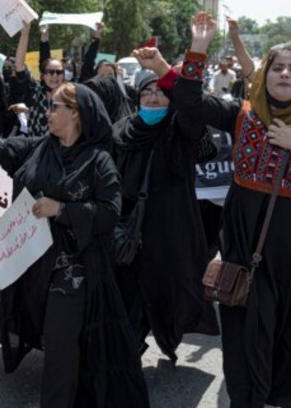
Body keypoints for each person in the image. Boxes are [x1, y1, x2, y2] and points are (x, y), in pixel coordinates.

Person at [0, 82, 149, 407]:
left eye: (54, 107)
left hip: (72, 271)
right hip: (33, 265)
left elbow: (109, 212)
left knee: (61, 349)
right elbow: (3, 149)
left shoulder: (98, 161)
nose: (47, 113)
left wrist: (61, 210)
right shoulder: (39, 147)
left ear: (76, 115)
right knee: (50, 334)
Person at [174, 12, 291, 407]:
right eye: (277, 67)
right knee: (247, 325)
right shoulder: (244, 114)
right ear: (265, 74)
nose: (284, 74)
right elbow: (189, 104)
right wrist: (198, 48)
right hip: (247, 237)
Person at [111, 47, 220, 363]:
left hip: (171, 227)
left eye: (161, 93)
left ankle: (168, 336)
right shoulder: (122, 130)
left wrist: (167, 69)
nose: (154, 99)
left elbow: (194, 112)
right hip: (128, 228)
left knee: (169, 290)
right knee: (128, 291)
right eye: (147, 92)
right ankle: (129, 349)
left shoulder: (180, 130)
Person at [11, 22, 67, 137]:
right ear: (43, 75)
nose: (55, 76)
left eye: (59, 72)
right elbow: (19, 66)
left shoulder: (69, 96)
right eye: (50, 72)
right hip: (37, 151)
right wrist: (25, 33)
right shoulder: (36, 91)